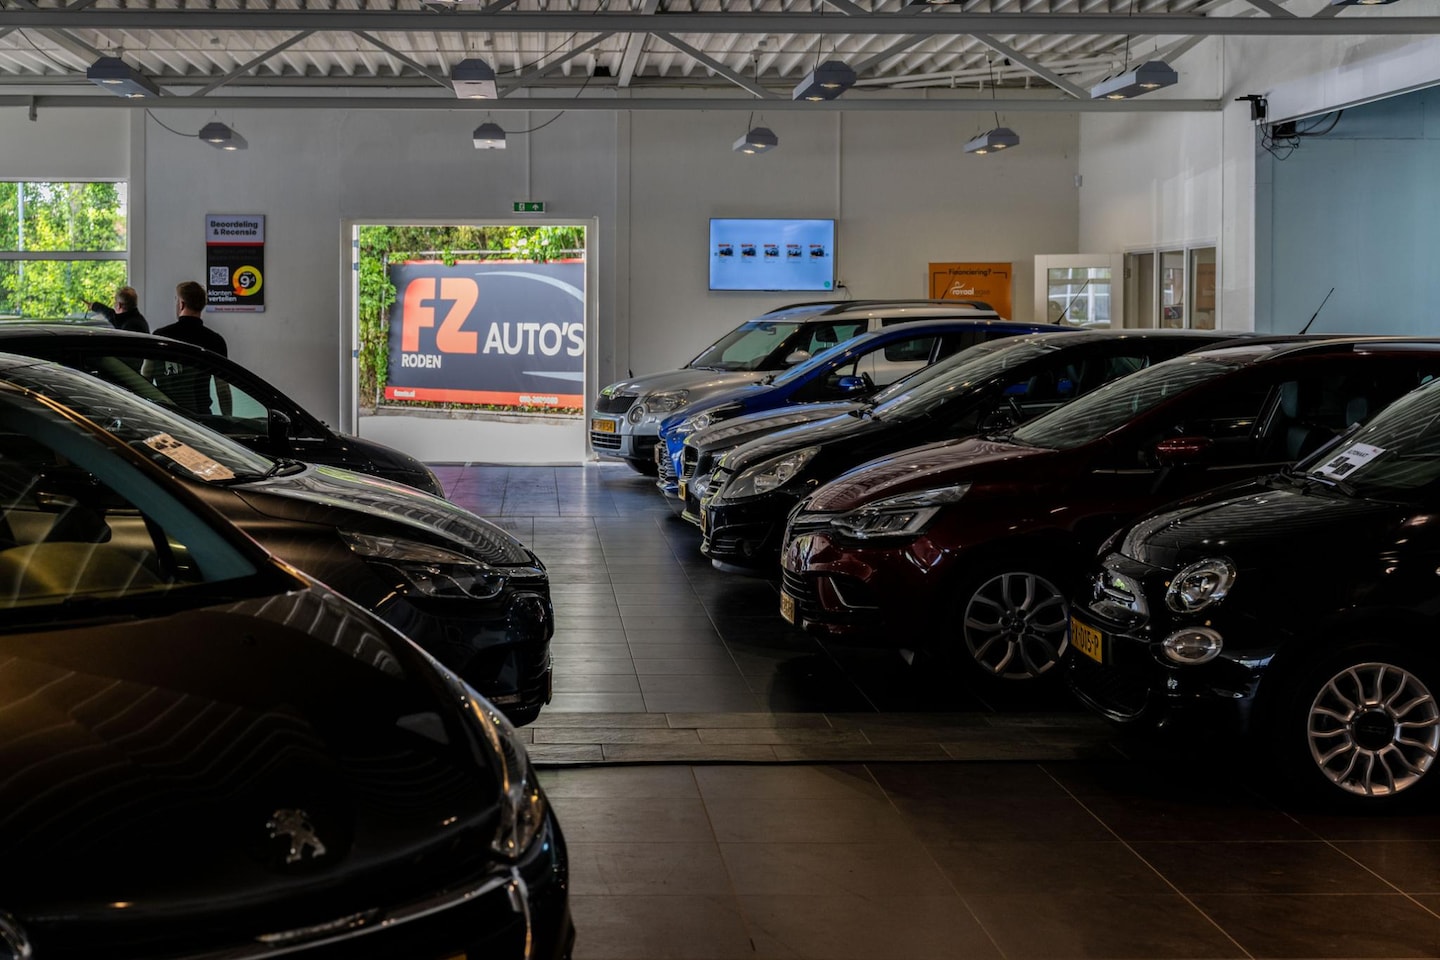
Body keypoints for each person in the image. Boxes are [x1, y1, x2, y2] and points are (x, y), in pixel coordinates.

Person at [147, 281, 232, 416]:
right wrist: (228, 420)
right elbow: (223, 390)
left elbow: (146, 376)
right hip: (200, 418)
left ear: (181, 304)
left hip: (165, 415)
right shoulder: (215, 341)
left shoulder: (160, 336)